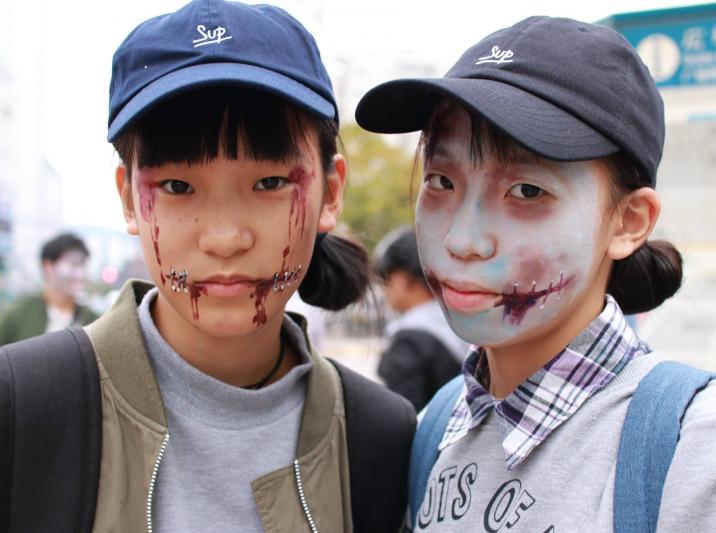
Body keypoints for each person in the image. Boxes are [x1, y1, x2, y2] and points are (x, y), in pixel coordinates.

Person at [356, 16, 716, 531]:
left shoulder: (705, 447)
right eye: (440, 181)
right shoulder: (439, 424)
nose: (461, 239)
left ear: (629, 221)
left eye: (526, 191)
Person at [0, 1, 414, 532]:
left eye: (269, 183)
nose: (224, 238)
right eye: (177, 187)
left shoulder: (378, 437)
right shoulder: (21, 403)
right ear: (129, 200)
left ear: (330, 193)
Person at [374, 227, 468, 411]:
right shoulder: (464, 326)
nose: (385, 287)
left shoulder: (409, 340)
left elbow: (401, 416)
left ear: (405, 277)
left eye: (386, 278)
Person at [0, 232, 98, 345]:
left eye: (83, 265)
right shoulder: (17, 315)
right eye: (73, 264)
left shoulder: (93, 321)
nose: (80, 274)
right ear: (48, 266)